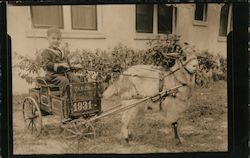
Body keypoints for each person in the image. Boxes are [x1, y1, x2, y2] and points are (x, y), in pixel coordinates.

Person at [41, 27, 80, 96]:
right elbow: (47, 64)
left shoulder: (61, 51)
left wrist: (74, 66)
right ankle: (65, 99)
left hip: (64, 73)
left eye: (58, 39)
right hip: (53, 75)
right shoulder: (46, 52)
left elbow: (67, 64)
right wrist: (59, 65)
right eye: (53, 38)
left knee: (76, 79)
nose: (56, 40)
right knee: (64, 81)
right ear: (47, 39)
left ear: (60, 40)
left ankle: (76, 96)